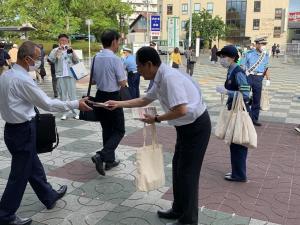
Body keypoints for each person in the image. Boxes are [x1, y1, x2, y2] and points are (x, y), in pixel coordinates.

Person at [104, 47, 211, 225]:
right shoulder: (159, 77)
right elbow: (145, 99)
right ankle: (178, 209)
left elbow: (181, 109)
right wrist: (118, 103)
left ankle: (189, 220)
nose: (137, 70)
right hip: (185, 127)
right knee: (178, 169)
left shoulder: (169, 78)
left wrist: (156, 118)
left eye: (139, 66)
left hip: (196, 127)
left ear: (149, 64)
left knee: (188, 174)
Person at [0, 41, 92, 225]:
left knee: (33, 166)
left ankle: (48, 195)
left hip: (12, 129)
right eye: (36, 58)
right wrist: (75, 104)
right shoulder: (22, 79)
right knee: (19, 175)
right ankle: (5, 215)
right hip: (22, 130)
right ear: (27, 59)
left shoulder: (6, 75)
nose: (38, 61)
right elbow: (48, 104)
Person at [90, 30, 127, 176]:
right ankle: (102, 155)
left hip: (99, 96)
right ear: (113, 42)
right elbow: (122, 82)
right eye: (118, 41)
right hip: (113, 97)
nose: (118, 44)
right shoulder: (116, 59)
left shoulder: (95, 57)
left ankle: (109, 160)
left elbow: (93, 81)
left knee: (107, 129)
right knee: (119, 130)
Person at [216, 45, 251, 182]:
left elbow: (246, 94)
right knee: (234, 142)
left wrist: (227, 92)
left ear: (232, 58)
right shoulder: (231, 70)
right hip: (234, 110)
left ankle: (240, 175)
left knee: (238, 142)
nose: (222, 59)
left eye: (224, 57)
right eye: (221, 57)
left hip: (240, 112)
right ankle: (237, 171)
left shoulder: (238, 72)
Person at [48, 34, 80, 120]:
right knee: (62, 95)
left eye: (65, 40)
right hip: (60, 75)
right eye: (61, 40)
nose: (63, 42)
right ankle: (64, 113)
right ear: (58, 41)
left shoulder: (70, 50)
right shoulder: (55, 50)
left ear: (68, 41)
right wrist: (57, 51)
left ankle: (76, 112)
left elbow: (77, 61)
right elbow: (51, 60)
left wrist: (72, 52)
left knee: (72, 95)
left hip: (70, 75)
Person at [241, 37, 270, 126]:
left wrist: (268, 79)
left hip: (258, 78)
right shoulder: (248, 54)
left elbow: (266, 67)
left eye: (264, 44)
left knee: (256, 99)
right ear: (256, 44)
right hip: (248, 77)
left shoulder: (265, 55)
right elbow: (242, 66)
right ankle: (243, 118)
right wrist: (242, 78)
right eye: (262, 44)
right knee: (243, 97)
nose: (263, 46)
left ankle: (254, 119)